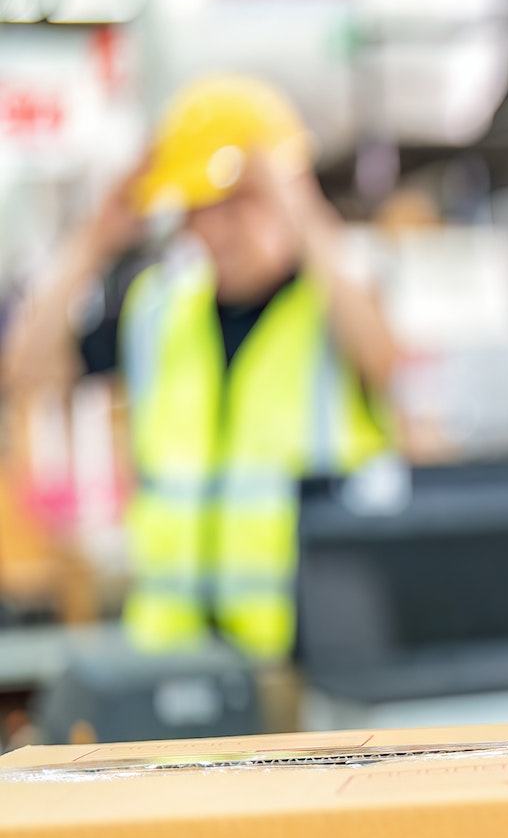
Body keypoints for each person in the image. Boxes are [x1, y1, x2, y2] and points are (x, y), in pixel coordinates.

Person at [1, 74, 399, 659]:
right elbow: (25, 374)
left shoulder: (337, 302)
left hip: (313, 656)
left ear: (289, 196)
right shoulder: (158, 310)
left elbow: (390, 365)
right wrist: (93, 240)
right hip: (175, 658)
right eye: (196, 209)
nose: (212, 229)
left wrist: (303, 211)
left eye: (238, 202)